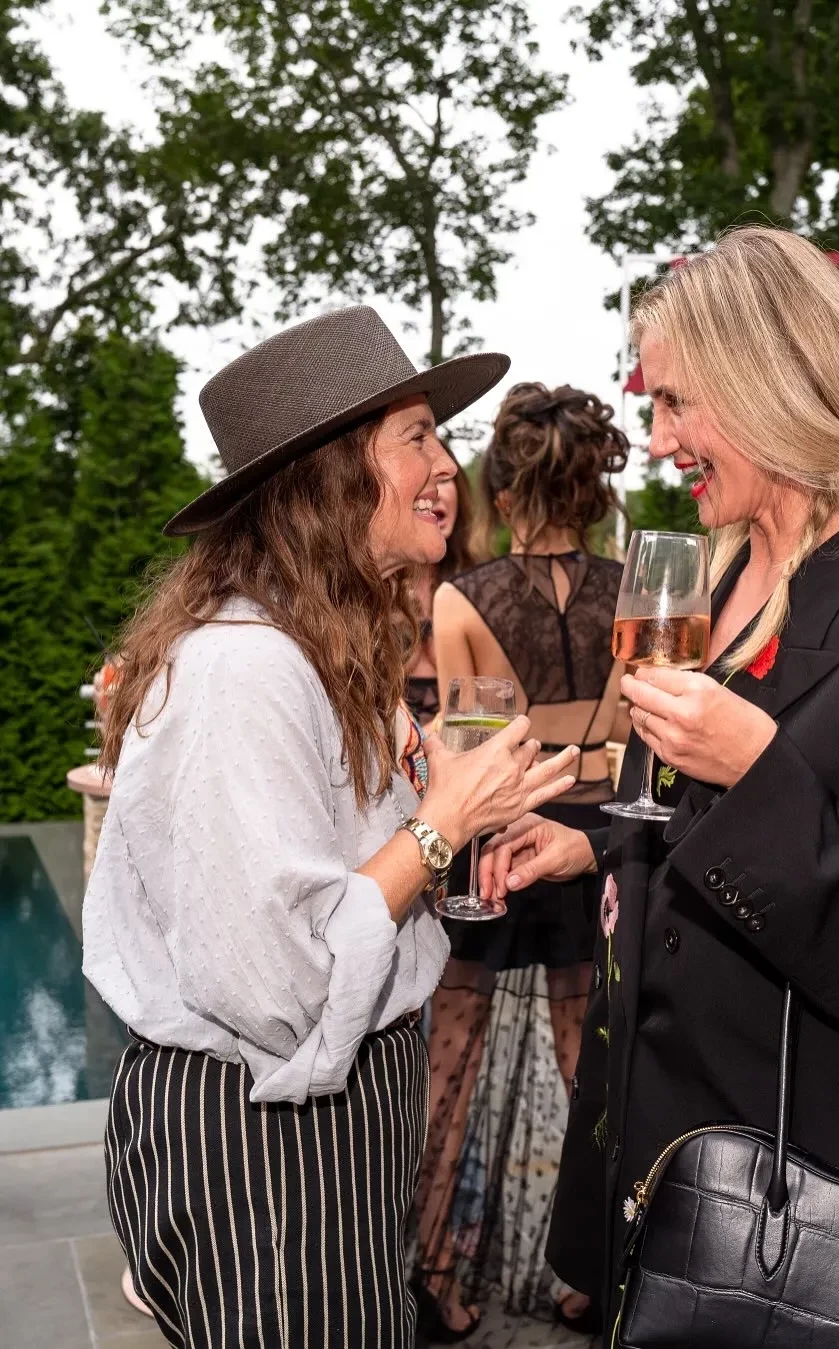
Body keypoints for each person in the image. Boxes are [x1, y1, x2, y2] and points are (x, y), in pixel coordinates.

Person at [478, 227, 839, 1336]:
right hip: (650, 1172)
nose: (656, 439)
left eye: (677, 403)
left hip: (791, 1231)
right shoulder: (720, 580)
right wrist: (597, 846)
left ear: (769, 385)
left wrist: (759, 772)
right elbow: (689, 816)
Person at [81, 306, 580, 1349]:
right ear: (333, 476)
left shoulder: (326, 650)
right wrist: (439, 827)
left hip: (335, 1113)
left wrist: (464, 814)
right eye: (418, 437)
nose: (448, 466)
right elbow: (279, 982)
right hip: (269, 1136)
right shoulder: (244, 668)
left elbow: (362, 859)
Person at [411, 382, 629, 1340]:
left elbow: (474, 753)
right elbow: (634, 743)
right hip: (592, 842)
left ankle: (437, 1278)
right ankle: (599, 1275)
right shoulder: (637, 593)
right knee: (590, 1064)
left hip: (502, 844)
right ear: (590, 489)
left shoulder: (463, 597)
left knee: (450, 1062)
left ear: (504, 491)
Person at [405, 448, 479, 727]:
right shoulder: (370, 589)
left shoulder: (481, 590)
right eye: (424, 480)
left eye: (444, 480)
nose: (435, 492)